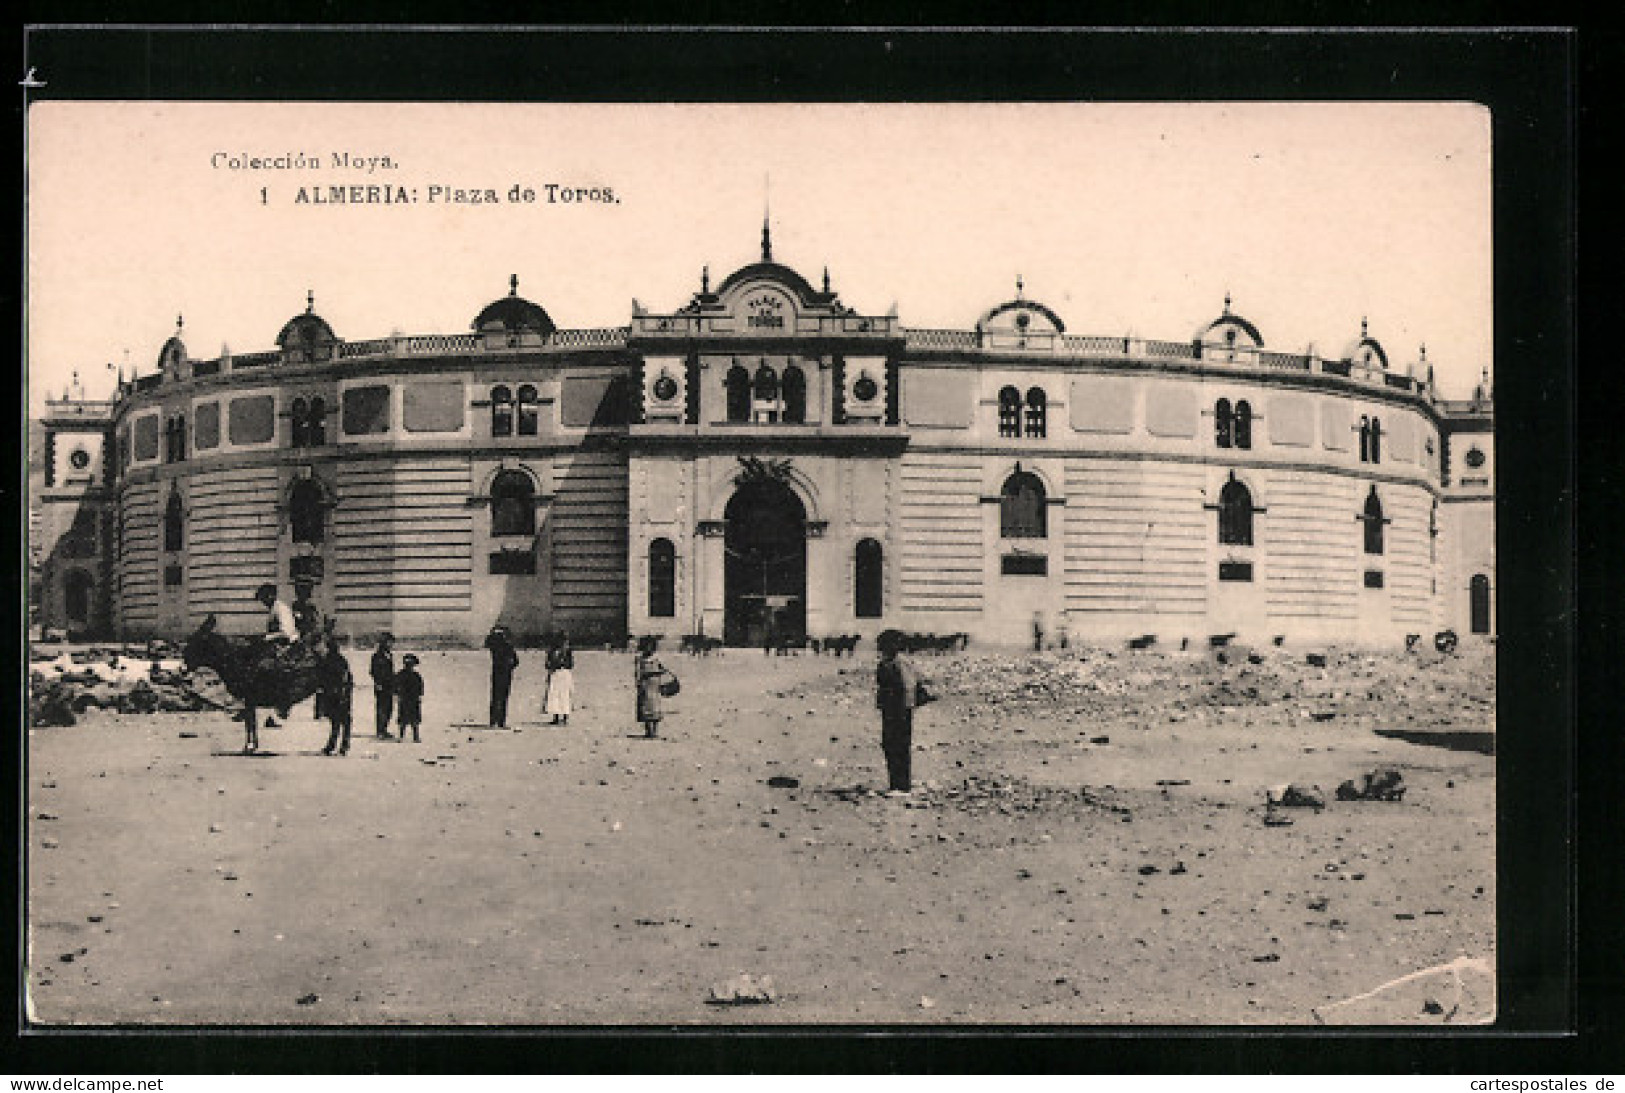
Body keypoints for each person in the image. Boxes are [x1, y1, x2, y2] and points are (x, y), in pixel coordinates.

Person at [875, 628, 931, 796]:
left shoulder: (900, 663)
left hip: (899, 710)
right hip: (890, 709)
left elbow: (908, 686)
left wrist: (904, 710)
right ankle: (896, 783)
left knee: (898, 745)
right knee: (890, 745)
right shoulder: (888, 662)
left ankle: (901, 785)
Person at [253, 583, 300, 723]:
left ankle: (281, 708)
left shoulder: (281, 609)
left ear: (271, 596)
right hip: (278, 645)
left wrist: (267, 638)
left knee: (271, 670)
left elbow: (286, 633)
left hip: (288, 646)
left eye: (263, 598)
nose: (263, 602)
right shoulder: (274, 608)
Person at [318, 638, 353, 756]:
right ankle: (343, 745)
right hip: (341, 694)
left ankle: (334, 745)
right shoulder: (341, 660)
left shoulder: (327, 661)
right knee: (343, 721)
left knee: (336, 722)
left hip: (335, 695)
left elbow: (324, 679)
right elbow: (347, 678)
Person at [634, 635, 670, 739]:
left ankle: (654, 731)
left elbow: (663, 669)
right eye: (646, 647)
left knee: (655, 707)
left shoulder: (656, 659)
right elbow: (637, 672)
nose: (648, 649)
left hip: (655, 684)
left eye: (650, 647)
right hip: (645, 684)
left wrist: (662, 674)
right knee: (645, 707)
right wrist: (638, 682)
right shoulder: (640, 659)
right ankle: (648, 731)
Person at [484, 625, 520, 729]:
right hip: (506, 673)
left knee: (495, 696)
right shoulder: (508, 647)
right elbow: (516, 661)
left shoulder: (495, 647)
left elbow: (488, 641)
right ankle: (501, 721)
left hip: (496, 672)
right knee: (503, 697)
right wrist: (510, 666)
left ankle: (493, 720)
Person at [544, 634, 575, 725]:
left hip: (559, 673)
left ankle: (560, 716)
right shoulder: (564, 651)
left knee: (558, 694)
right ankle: (561, 716)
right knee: (560, 694)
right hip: (560, 674)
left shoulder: (556, 651)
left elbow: (570, 664)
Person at [370, 633, 396, 740]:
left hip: (389, 685)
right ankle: (380, 731)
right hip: (381, 685)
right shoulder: (377, 656)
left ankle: (384, 729)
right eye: (389, 642)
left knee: (389, 707)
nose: (391, 644)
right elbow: (373, 671)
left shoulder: (389, 654)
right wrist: (378, 683)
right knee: (382, 708)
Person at [395, 653, 424, 743]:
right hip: (408, 699)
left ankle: (411, 736)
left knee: (410, 719)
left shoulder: (404, 675)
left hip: (409, 699)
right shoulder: (415, 676)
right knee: (408, 719)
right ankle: (407, 736)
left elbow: (420, 688)